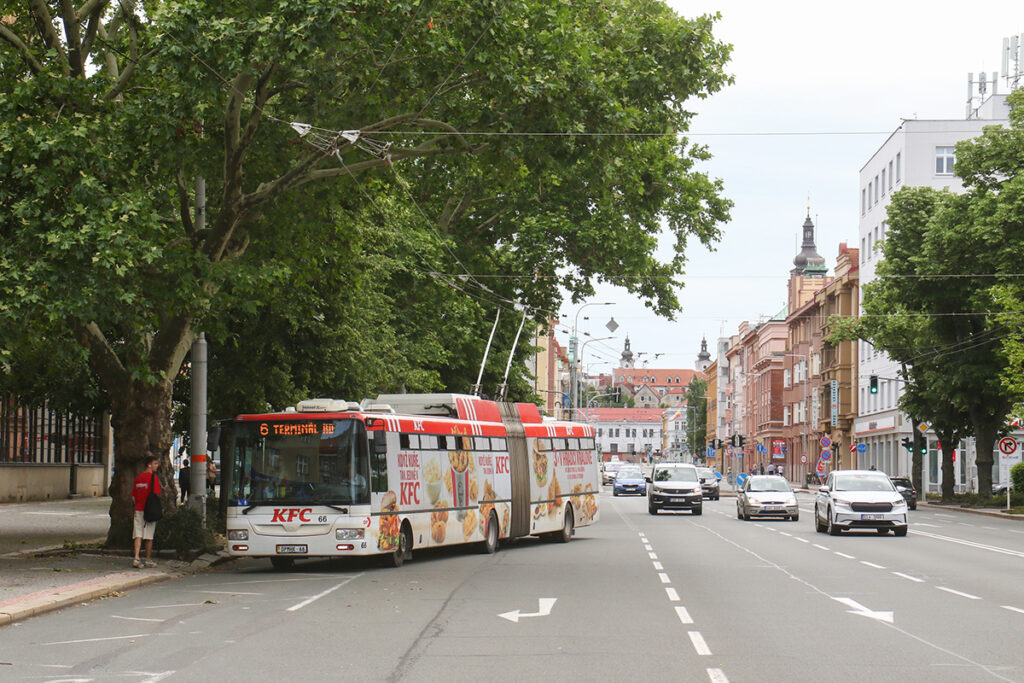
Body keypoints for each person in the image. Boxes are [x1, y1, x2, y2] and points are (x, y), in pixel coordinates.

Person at [132, 456, 161, 569]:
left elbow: (133, 496)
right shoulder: (153, 478)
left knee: (137, 534)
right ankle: (148, 559)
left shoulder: (138, 478)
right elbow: (157, 493)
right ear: (149, 465)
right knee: (149, 535)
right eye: (155, 463)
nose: (156, 466)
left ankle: (136, 557)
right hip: (150, 511)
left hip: (138, 509)